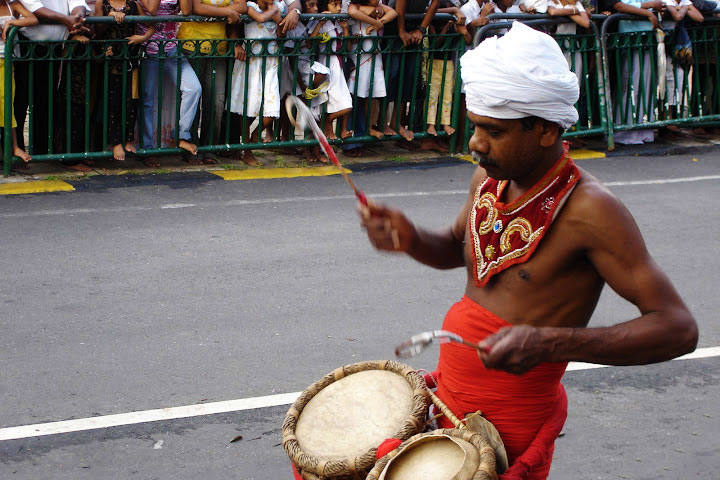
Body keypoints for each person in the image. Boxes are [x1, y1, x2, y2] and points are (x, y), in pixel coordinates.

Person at [359, 22, 697, 479]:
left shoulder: (592, 211)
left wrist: (550, 342)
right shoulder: (489, 179)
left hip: (508, 432)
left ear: (544, 129)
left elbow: (677, 329)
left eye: (493, 131)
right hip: (447, 404)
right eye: (475, 126)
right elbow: (457, 251)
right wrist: (411, 237)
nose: (476, 143)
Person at [14, 0, 91, 170]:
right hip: (27, 45)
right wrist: (66, 19)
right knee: (19, 102)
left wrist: (77, 17)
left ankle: (42, 152)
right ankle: (15, 154)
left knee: (46, 100)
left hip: (52, 47)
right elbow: (34, 7)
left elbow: (78, 3)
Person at [179, 0, 246, 164]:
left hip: (219, 48)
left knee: (216, 102)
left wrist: (215, 11)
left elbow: (242, 7)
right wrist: (227, 12)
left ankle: (209, 148)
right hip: (192, 44)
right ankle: (191, 146)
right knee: (194, 99)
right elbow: (194, 7)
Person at [137, 0, 203, 166]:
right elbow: (152, 11)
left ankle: (180, 135)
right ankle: (147, 148)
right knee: (148, 99)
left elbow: (186, 11)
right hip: (147, 47)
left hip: (171, 48)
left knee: (193, 88)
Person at [95, 0, 154, 161]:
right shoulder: (102, 3)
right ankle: (115, 142)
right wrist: (109, 16)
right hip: (111, 57)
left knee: (131, 99)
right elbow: (96, 31)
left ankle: (128, 139)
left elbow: (151, 25)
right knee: (112, 101)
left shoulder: (133, 4)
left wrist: (142, 38)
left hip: (131, 57)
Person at [229, 0, 286, 165]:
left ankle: (255, 135)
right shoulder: (250, 6)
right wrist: (275, 11)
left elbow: (282, 35)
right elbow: (259, 19)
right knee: (248, 107)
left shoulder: (277, 7)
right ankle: (247, 150)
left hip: (271, 62)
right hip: (252, 62)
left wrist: (278, 19)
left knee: (272, 109)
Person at [0, 0, 36, 167]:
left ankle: (13, 146)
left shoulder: (12, 5)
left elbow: (33, 19)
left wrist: (12, 22)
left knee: (7, 104)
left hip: (6, 62)